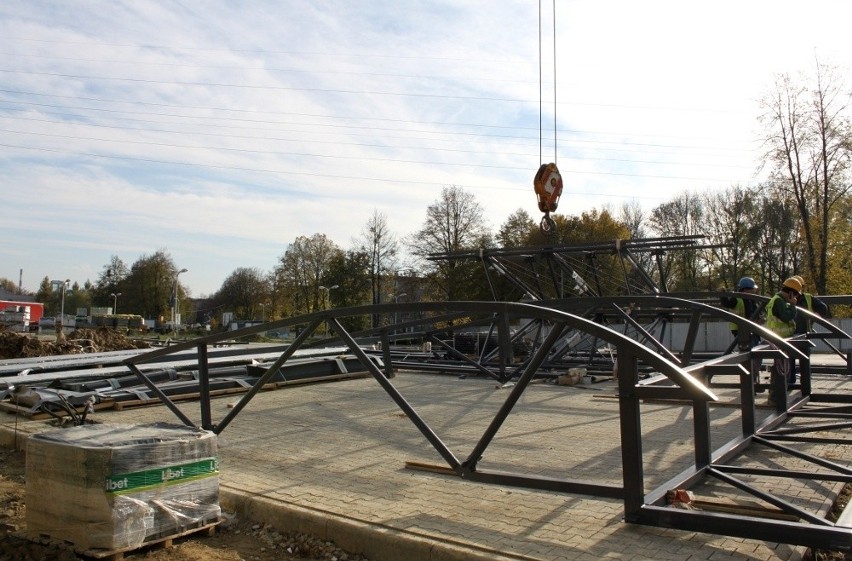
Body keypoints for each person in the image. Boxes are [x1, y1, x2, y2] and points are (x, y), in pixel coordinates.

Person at [719, 276, 763, 390]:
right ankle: (750, 383)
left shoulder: (752, 300)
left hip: (753, 330)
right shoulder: (737, 299)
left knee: (756, 356)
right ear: (745, 289)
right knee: (750, 356)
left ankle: (752, 381)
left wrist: (760, 320)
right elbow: (727, 304)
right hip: (741, 331)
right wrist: (722, 295)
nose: (754, 291)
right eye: (753, 289)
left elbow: (756, 313)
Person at [764, 277, 801, 404]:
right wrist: (793, 305)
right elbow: (786, 316)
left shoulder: (776, 299)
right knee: (781, 369)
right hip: (780, 339)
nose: (795, 297)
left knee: (782, 368)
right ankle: (775, 398)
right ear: (791, 293)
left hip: (778, 338)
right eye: (795, 294)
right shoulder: (779, 301)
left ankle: (776, 397)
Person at [788, 275, 830, 385]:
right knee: (794, 358)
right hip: (794, 333)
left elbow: (823, 308)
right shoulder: (789, 298)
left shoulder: (807, 298)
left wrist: (815, 316)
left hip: (799, 333)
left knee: (797, 358)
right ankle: (796, 382)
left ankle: (798, 382)